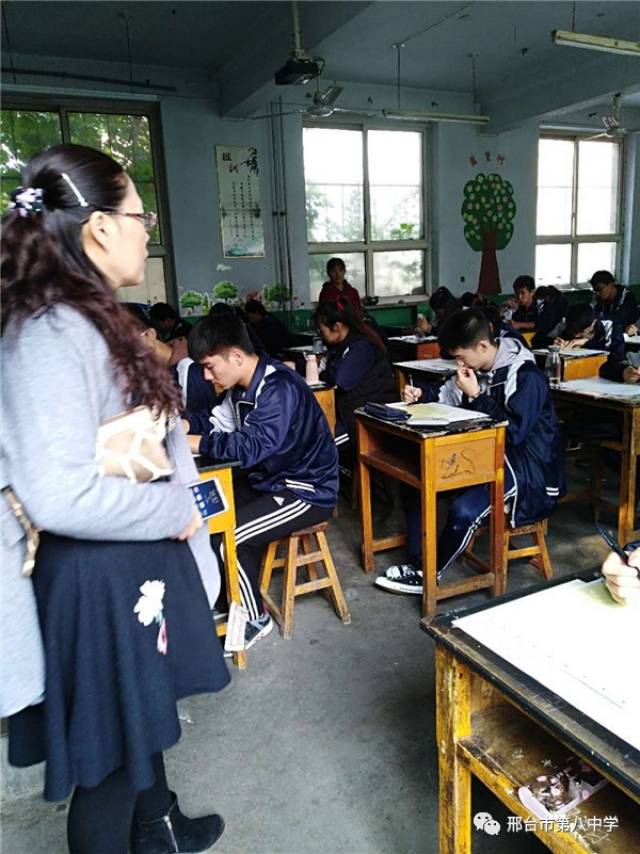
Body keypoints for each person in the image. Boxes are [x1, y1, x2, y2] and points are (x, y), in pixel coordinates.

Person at [1, 145, 229, 854]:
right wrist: (175, 509)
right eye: (140, 216)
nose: (146, 231)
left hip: (124, 560)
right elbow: (58, 491)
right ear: (99, 227)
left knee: (139, 712)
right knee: (105, 768)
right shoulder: (49, 330)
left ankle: (159, 824)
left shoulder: (86, 316)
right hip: (94, 576)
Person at [375, 308, 564, 595]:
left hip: (528, 469)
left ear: (483, 346)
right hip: (487, 455)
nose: (458, 364)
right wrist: (421, 394)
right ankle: (418, 561)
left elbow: (513, 433)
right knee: (417, 482)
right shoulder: (476, 367)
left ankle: (429, 576)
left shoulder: (526, 375)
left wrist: (476, 395)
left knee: (465, 508)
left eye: (461, 357)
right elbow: (449, 391)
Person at [185, 313, 339, 647]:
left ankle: (256, 618)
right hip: (269, 480)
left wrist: (194, 442)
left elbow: (250, 448)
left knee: (233, 538)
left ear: (236, 356)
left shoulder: (279, 387)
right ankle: (228, 600)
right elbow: (216, 422)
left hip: (305, 489)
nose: (206, 376)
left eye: (210, 366)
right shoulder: (240, 389)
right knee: (209, 518)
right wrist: (184, 425)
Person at [314, 299, 396, 466]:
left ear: (337, 326)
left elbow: (341, 380)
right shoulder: (342, 346)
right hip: (348, 413)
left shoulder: (361, 346)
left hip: (365, 420)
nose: (320, 336)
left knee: (317, 450)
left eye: (322, 331)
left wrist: (324, 372)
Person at [128, 308, 219, 414]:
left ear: (150, 334)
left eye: (128, 343)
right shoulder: (140, 374)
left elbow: (207, 418)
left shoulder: (191, 372)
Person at [545, 303, 626, 382]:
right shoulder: (565, 324)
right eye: (573, 330)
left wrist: (587, 343)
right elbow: (540, 340)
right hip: (569, 373)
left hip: (599, 376)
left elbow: (618, 356)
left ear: (593, 323)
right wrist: (553, 343)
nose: (576, 335)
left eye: (581, 331)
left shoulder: (611, 327)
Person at [590, 270, 639, 334]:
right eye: (595, 290)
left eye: (599, 289)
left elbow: (620, 319)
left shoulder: (626, 295)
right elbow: (590, 316)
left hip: (628, 332)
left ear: (611, 285)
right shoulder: (597, 296)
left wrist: (598, 321)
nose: (597, 293)